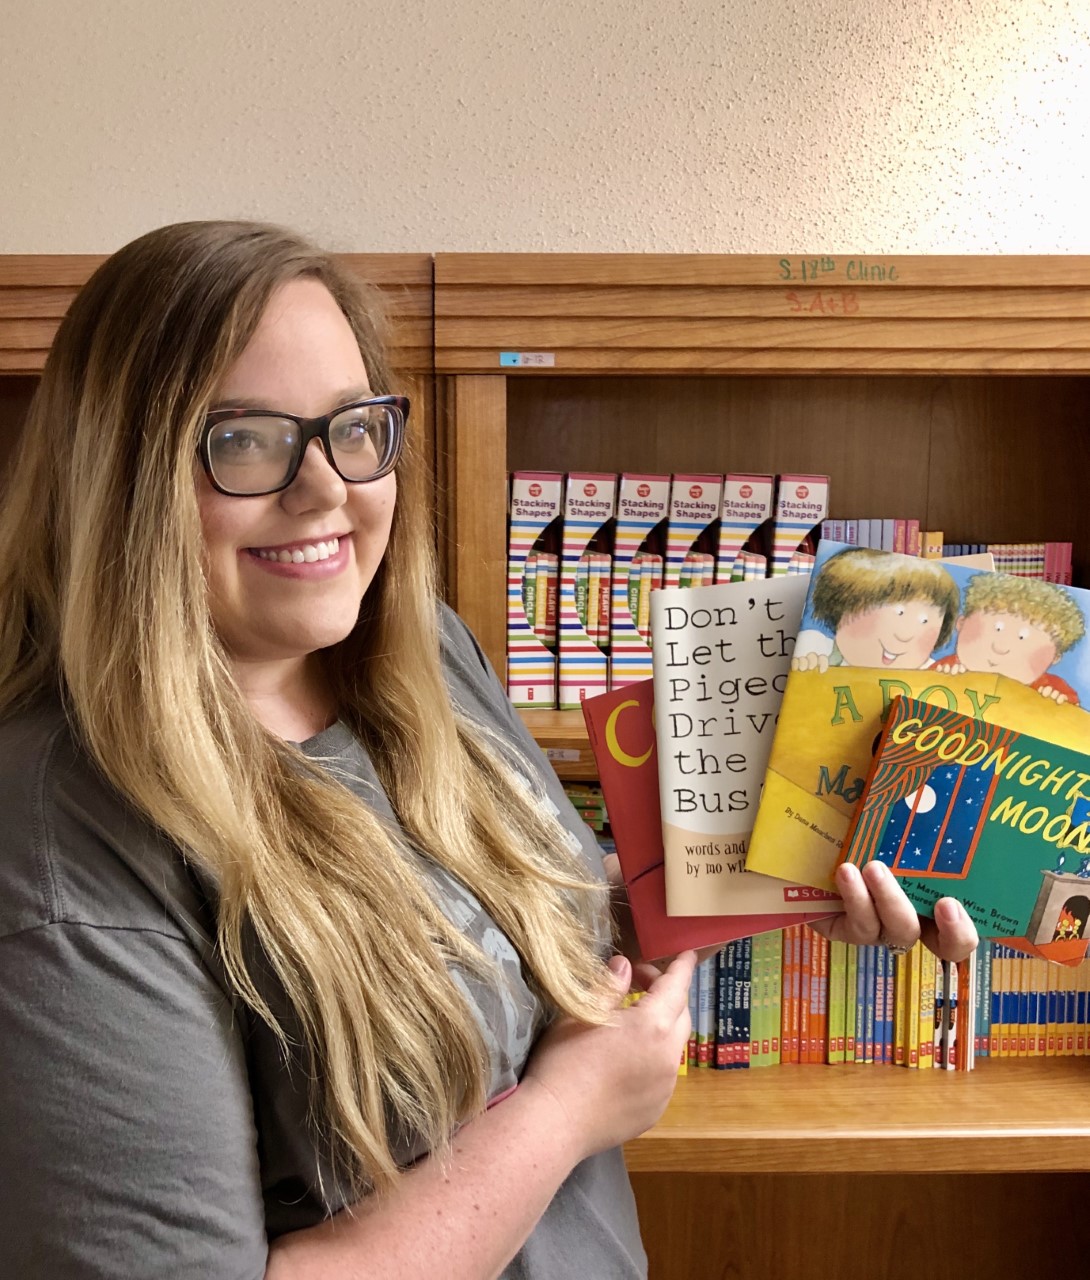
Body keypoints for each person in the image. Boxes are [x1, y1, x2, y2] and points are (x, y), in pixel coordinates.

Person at [0, 221, 978, 1278]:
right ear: (120, 475)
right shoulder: (57, 842)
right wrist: (567, 1111)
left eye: (353, 427)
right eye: (244, 441)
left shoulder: (420, 650)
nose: (326, 488)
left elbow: (488, 923)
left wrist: (771, 878)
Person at [792, 546, 961, 672]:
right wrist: (805, 667)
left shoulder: (932, 671)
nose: (905, 635)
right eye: (899, 613)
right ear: (842, 606)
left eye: (924, 621)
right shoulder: (818, 649)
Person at [929, 571, 1085, 705]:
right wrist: (940, 680)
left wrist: (1059, 706)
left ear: (1055, 656)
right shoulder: (948, 668)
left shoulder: (1054, 688)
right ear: (961, 623)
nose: (1001, 647)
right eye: (997, 629)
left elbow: (1074, 721)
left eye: (1022, 638)